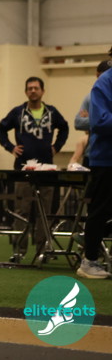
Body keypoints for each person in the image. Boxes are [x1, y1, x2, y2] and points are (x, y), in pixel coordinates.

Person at [0, 76, 69, 253]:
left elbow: (65, 127)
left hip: (47, 169)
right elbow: (0, 129)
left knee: (44, 212)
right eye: (30, 88)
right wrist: (10, 147)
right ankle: (19, 250)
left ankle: (42, 250)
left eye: (36, 88)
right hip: (23, 169)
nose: (33, 91)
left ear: (43, 91)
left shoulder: (52, 112)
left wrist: (57, 147)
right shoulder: (18, 112)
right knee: (21, 210)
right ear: (25, 92)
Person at [78, 50, 112, 279]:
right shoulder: (104, 83)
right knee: (100, 211)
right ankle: (89, 260)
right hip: (106, 159)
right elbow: (99, 121)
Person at [70, 60, 112, 167]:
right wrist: (96, 118)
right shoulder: (90, 97)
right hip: (96, 154)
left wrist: (94, 117)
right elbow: (78, 122)